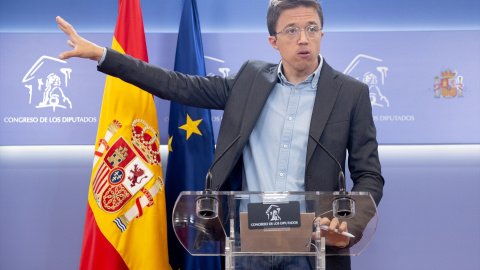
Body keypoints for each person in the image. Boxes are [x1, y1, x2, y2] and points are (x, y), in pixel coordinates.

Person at [57, 0, 384, 269]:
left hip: (314, 247)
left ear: (322, 34)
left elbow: (369, 175)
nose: (303, 38)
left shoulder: (350, 93)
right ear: (273, 41)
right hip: (249, 244)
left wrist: (349, 225)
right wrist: (103, 55)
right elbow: (177, 85)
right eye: (292, 30)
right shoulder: (250, 80)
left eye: (312, 29)